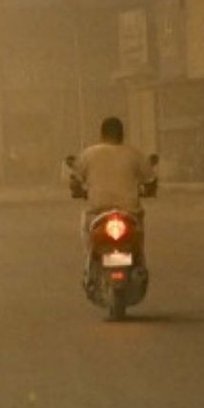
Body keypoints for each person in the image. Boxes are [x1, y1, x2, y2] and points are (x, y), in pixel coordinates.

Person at [66, 116, 157, 286]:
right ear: (122, 135)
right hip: (130, 211)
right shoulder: (134, 154)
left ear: (101, 134)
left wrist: (79, 192)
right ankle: (139, 266)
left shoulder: (89, 154)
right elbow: (151, 181)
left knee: (88, 236)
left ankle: (90, 265)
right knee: (137, 242)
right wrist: (147, 192)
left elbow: (74, 182)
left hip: (98, 210)